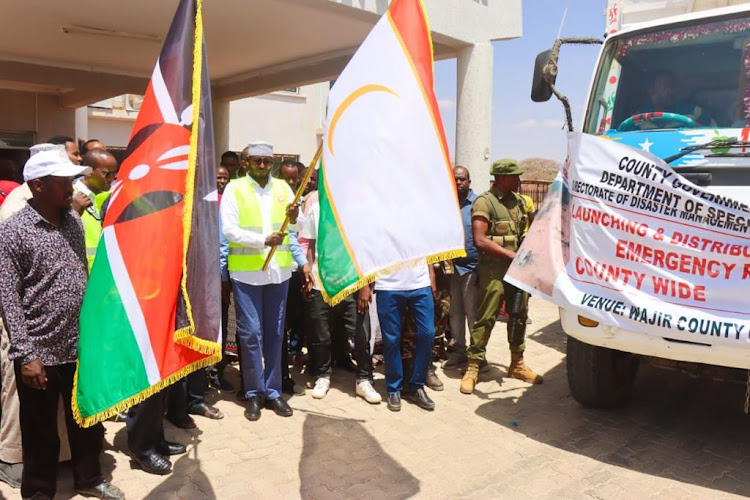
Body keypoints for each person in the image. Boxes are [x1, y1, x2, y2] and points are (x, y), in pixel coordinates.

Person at [0, 149, 123, 499]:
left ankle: (90, 479)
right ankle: (39, 492)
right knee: (40, 433)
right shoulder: (13, 231)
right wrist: (25, 355)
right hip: (39, 350)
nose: (72, 186)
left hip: (79, 345)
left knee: (86, 421)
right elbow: (8, 298)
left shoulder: (71, 220)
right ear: (38, 185)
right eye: (63, 181)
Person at [220, 141, 309, 421]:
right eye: (256, 161)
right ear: (246, 162)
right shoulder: (235, 189)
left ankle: (273, 392)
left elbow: (299, 227)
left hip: (278, 274)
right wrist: (262, 240)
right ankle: (253, 393)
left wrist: (295, 218)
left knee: (275, 333)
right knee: (250, 334)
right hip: (247, 275)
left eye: (266, 161)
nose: (261, 166)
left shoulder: (283, 188)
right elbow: (229, 230)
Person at [460, 159, 543, 395]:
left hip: (518, 272)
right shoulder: (485, 202)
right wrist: (511, 255)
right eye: (514, 176)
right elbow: (480, 239)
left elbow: (527, 231)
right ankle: (474, 366)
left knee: (519, 314)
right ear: (501, 178)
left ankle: (516, 363)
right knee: (486, 316)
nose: (518, 180)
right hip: (494, 270)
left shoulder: (519, 202)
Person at [300, 194, 381, 404]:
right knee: (321, 335)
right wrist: (309, 275)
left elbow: (367, 251)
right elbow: (311, 245)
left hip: (353, 284)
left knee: (361, 334)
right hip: (322, 283)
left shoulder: (358, 209)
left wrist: (365, 286)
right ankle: (323, 376)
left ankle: (364, 379)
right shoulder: (316, 208)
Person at [375, 262, 437, 412]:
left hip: (420, 282)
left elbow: (427, 247)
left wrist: (431, 276)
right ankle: (394, 388)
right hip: (388, 284)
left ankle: (416, 385)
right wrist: (365, 285)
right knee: (391, 339)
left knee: (427, 334)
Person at [276, 160, 307, 395]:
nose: (290, 182)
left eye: (294, 177)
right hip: (261, 275)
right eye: (286, 177)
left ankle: (283, 377)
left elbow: (293, 237)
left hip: (288, 274)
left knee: (286, 327)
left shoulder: (294, 203)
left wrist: (304, 264)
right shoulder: (273, 198)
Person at [445, 166, 478, 369]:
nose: (458, 183)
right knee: (455, 313)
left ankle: (477, 357)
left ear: (469, 181)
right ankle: (459, 351)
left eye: (462, 179)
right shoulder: (447, 205)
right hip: (452, 269)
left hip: (472, 269)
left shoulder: (478, 204)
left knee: (472, 313)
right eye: (455, 179)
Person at [75, 149, 118, 270]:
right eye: (106, 174)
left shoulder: (111, 197)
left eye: (114, 174)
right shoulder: (71, 197)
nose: (111, 179)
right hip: (83, 273)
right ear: (89, 172)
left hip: (104, 272)